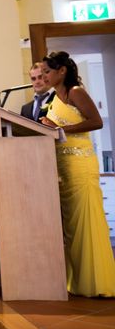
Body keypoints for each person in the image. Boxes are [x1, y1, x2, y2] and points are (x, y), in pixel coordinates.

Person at [40, 51, 115, 297]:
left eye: (48, 71)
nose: (44, 76)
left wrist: (61, 128)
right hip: (62, 167)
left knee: (87, 223)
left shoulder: (75, 92)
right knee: (71, 229)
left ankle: (97, 283)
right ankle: (78, 281)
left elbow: (96, 121)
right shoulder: (54, 98)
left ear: (62, 71)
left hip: (80, 165)